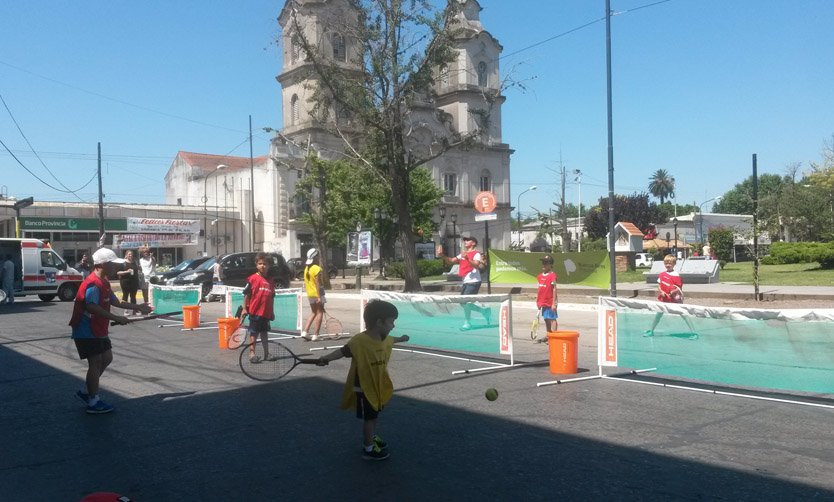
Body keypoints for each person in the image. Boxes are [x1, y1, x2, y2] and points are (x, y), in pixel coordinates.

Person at [317, 300, 410, 461]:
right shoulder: (359, 341)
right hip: (364, 387)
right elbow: (342, 351)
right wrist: (326, 358)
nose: (393, 326)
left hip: (377, 385)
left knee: (374, 414)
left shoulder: (385, 339)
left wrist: (401, 338)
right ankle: (368, 448)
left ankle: (371, 437)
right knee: (370, 417)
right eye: (391, 322)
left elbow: (392, 340)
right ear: (379, 322)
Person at [69, 247, 152, 414]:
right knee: (96, 362)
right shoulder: (93, 283)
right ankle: (93, 400)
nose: (117, 267)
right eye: (113, 264)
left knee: (107, 358)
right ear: (102, 264)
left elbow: (116, 302)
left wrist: (138, 307)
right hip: (86, 329)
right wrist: (117, 318)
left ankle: (90, 390)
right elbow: (91, 307)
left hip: (98, 329)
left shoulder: (104, 282)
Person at [440, 236, 491, 330]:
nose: (465, 242)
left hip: (474, 282)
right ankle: (483, 311)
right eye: (465, 240)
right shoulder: (463, 254)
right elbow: (451, 260)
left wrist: (467, 259)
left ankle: (467, 323)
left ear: (473, 243)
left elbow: (476, 265)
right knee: (462, 303)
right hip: (466, 282)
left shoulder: (476, 254)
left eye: (468, 240)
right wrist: (442, 255)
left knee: (466, 302)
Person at [644, 254, 696, 337]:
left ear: (674, 264)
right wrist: (661, 292)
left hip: (675, 300)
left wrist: (673, 292)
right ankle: (651, 331)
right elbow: (659, 285)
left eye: (670, 263)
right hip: (664, 299)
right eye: (666, 263)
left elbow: (679, 287)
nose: (668, 265)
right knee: (658, 315)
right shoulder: (662, 274)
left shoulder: (676, 275)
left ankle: (694, 333)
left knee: (684, 314)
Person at [241, 252, 276, 363]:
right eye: (260, 263)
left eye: (265, 264)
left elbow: (271, 298)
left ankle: (266, 354)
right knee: (254, 334)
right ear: (256, 265)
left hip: (266, 313)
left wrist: (272, 312)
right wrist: (245, 308)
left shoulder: (271, 281)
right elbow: (247, 295)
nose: (262, 266)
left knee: (264, 333)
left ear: (269, 265)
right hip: (255, 312)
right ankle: (252, 354)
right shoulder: (252, 279)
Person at [301, 248, 325, 341]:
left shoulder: (306, 268)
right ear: (315, 257)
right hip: (317, 294)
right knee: (319, 313)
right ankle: (316, 335)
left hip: (310, 294)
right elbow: (317, 283)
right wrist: (319, 296)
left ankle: (305, 331)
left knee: (313, 312)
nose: (319, 257)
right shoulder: (317, 268)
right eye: (318, 255)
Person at [535, 255, 559, 343]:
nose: (543, 264)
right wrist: (538, 301)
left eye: (546, 263)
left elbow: (554, 288)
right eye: (543, 262)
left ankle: (555, 337)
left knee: (552, 319)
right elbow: (539, 290)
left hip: (550, 301)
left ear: (550, 265)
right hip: (543, 302)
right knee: (546, 318)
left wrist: (554, 303)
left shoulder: (552, 275)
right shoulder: (539, 276)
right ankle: (549, 335)